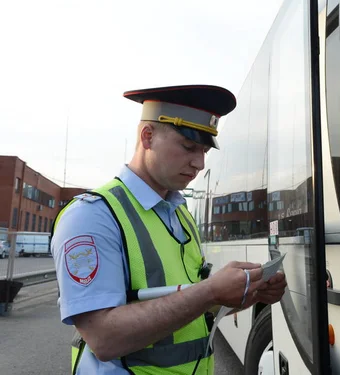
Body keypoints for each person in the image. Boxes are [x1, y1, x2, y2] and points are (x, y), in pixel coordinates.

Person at [51, 85, 287, 374]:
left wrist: (246, 294)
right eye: (188, 147)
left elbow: (186, 307)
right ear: (147, 137)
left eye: (204, 150)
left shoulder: (180, 214)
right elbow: (104, 337)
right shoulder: (92, 216)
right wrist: (211, 291)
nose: (199, 163)